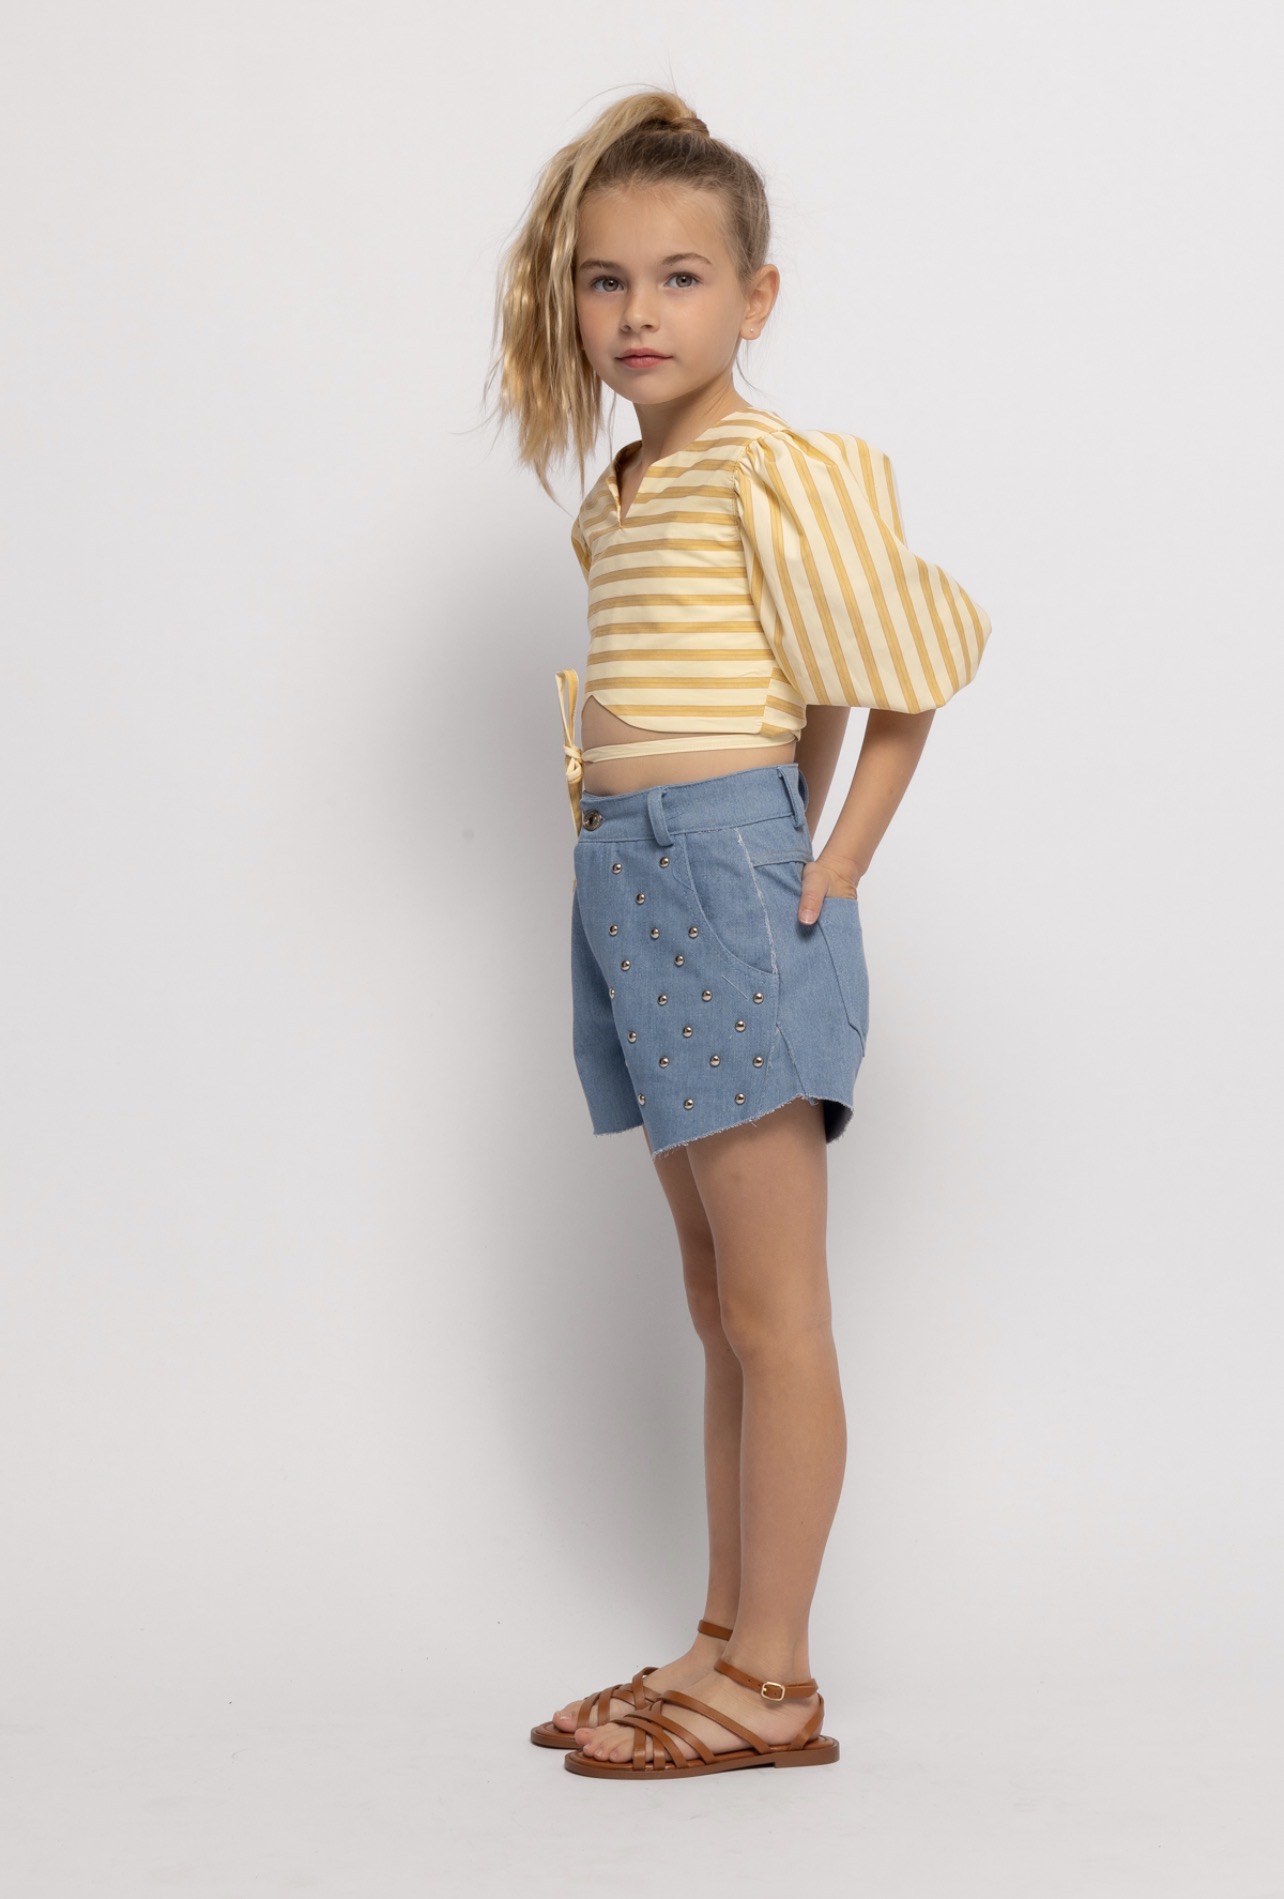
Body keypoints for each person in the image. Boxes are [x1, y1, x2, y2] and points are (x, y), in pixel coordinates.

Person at [486, 87, 991, 1782]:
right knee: (715, 1301)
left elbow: (895, 673)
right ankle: (719, 1636)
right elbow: (809, 680)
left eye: (682, 277)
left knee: (777, 1309)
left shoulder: (777, 467)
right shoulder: (624, 492)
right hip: (626, 882)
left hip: (722, 878)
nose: (639, 312)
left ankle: (774, 1678)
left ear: (756, 296)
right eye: (607, 279)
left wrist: (824, 858)